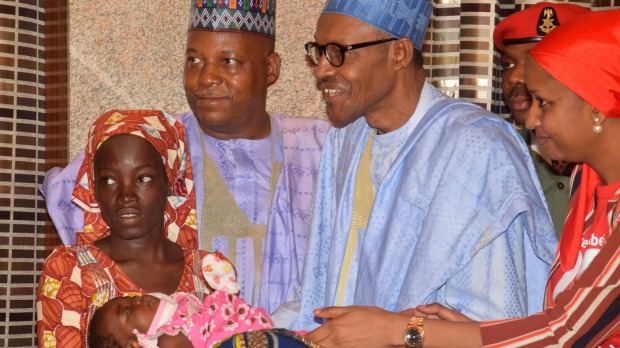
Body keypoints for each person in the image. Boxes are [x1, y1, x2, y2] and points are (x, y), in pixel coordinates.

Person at [304, 9, 620, 347]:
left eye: (544, 102)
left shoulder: (478, 142)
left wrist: (401, 331)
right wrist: (465, 331)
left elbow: (566, 333)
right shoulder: (587, 186)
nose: (530, 119)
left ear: (595, 108)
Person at [40, 0, 331, 314]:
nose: (207, 77)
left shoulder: (320, 145)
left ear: (271, 68)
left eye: (229, 61)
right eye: (194, 60)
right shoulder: (156, 146)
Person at [37, 110, 240, 347]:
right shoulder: (71, 270)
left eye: (143, 178)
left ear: (169, 183)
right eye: (109, 180)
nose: (126, 196)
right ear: (94, 189)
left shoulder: (209, 273)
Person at [494, 2, 589, 238]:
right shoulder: (497, 160)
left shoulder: (608, 164)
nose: (514, 77)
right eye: (508, 64)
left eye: (535, 62)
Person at [87, 291, 273, 347]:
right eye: (127, 311)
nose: (138, 300)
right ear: (135, 345)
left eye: (132, 298)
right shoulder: (167, 339)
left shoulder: (179, 309)